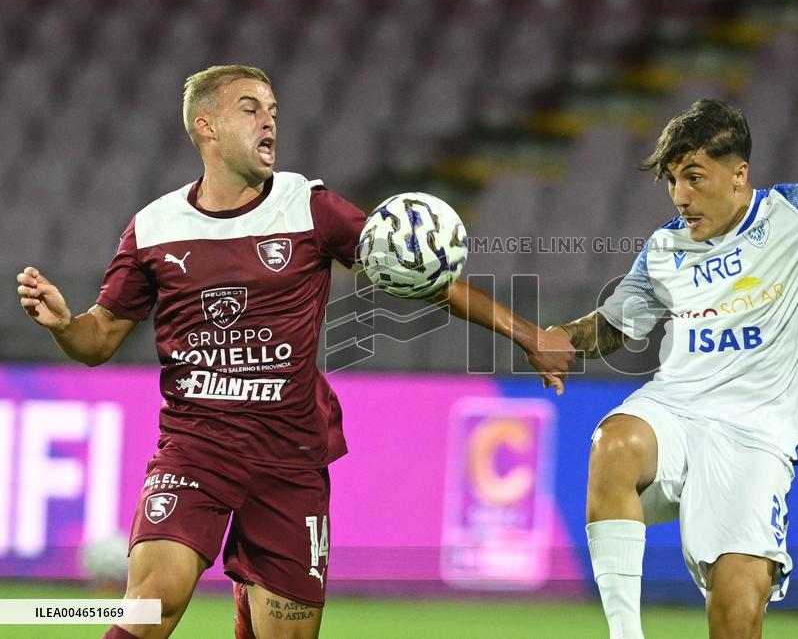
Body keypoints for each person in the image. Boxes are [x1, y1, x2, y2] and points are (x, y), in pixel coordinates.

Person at [15, 64, 574, 639]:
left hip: (290, 459)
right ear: (206, 126)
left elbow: (420, 275)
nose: (269, 122)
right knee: (147, 607)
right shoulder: (155, 227)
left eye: (274, 111)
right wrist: (64, 323)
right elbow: (98, 339)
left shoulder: (309, 207)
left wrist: (528, 336)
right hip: (196, 449)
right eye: (251, 108)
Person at [546, 99, 798, 639]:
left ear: (739, 174)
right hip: (677, 411)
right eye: (671, 180)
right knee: (613, 444)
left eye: (693, 177)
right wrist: (562, 338)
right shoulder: (666, 247)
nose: (680, 196)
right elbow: (615, 327)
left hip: (756, 438)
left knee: (736, 615)